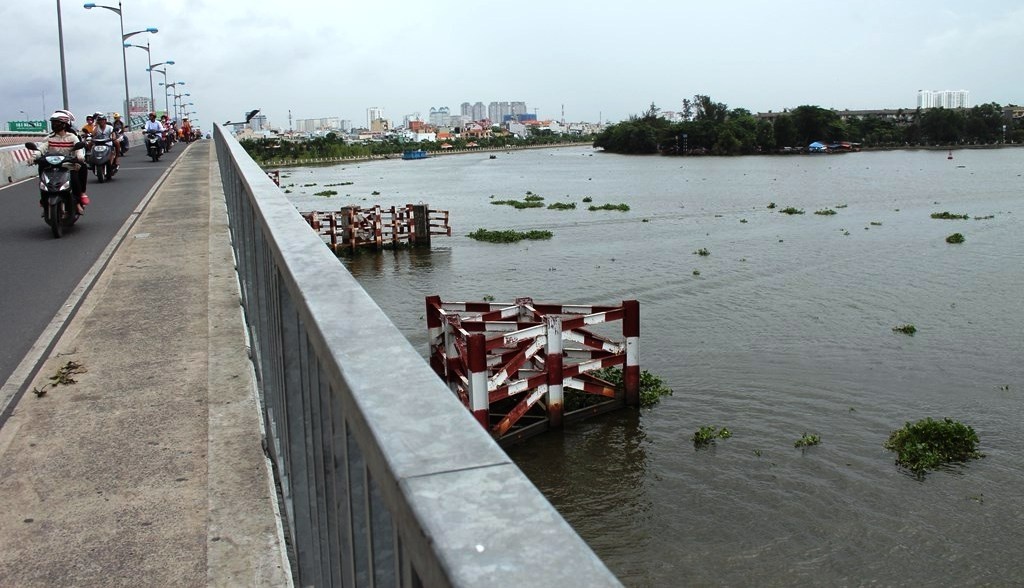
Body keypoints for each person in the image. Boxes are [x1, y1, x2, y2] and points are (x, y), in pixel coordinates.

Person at [34, 111, 89, 212]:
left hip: (68, 166)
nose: (54, 125)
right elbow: (41, 148)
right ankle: (44, 200)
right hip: (52, 167)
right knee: (43, 179)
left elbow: (78, 149)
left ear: (64, 124)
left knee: (75, 180)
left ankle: (77, 202)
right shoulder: (50, 138)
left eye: (57, 123)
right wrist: (34, 156)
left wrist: (80, 156)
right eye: (53, 123)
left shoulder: (72, 137)